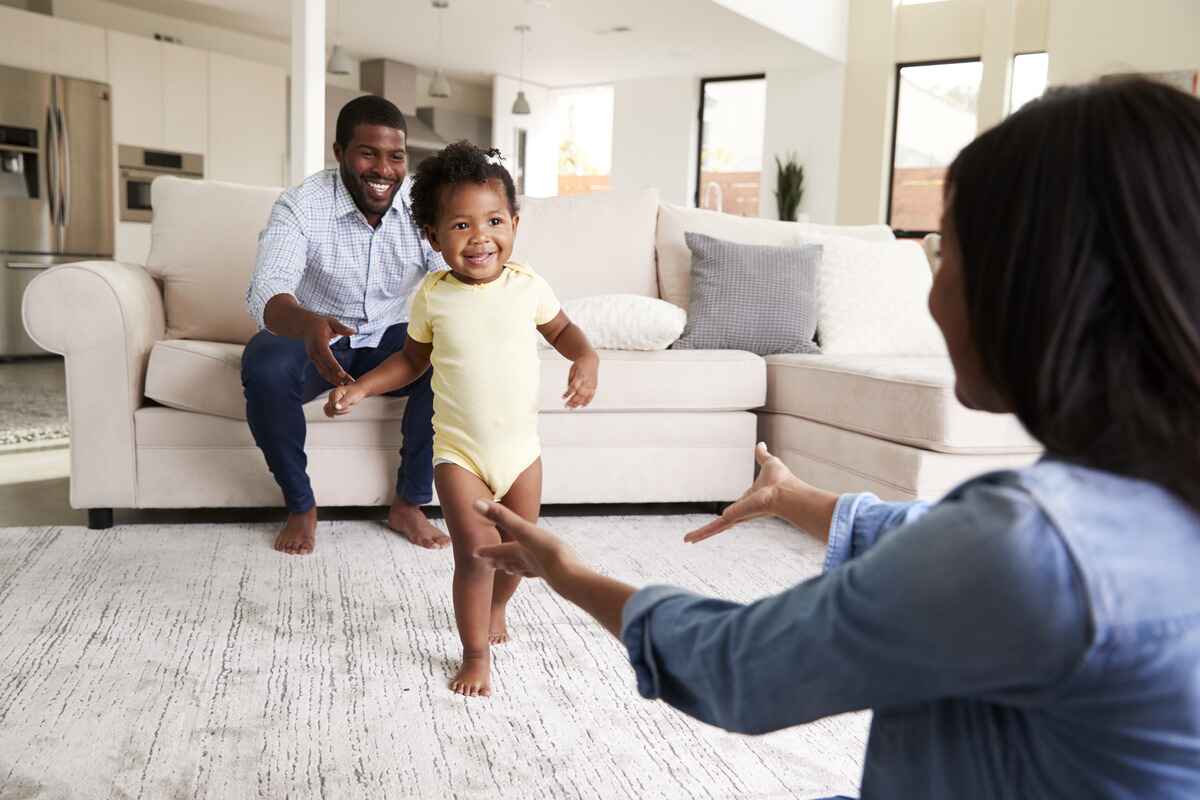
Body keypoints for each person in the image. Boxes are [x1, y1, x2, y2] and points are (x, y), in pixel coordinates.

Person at [472, 78, 1200, 798]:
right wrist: (798, 499)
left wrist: (566, 569)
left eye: (947, 251)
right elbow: (950, 548)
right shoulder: (1131, 506)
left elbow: (739, 667)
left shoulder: (1032, 547)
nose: (933, 292)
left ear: (1033, 286)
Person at [325, 141, 600, 697]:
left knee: (520, 556)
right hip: (460, 456)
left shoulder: (528, 286)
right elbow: (409, 360)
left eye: (494, 220)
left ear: (515, 224)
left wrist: (586, 359)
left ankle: (498, 609)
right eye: (460, 225)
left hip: (522, 453)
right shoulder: (433, 296)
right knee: (475, 554)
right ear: (433, 237)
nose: (480, 237)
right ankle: (474, 654)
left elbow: (565, 333)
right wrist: (362, 385)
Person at [243, 95, 450, 556]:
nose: (383, 169)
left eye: (395, 156)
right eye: (367, 153)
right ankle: (300, 505)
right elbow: (268, 289)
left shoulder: (423, 206)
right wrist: (309, 324)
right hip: (312, 335)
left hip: (393, 341)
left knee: (453, 356)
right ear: (339, 153)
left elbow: (452, 274)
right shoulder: (301, 206)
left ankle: (409, 504)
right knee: (265, 364)